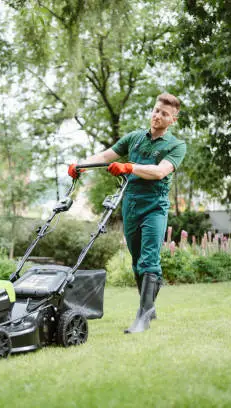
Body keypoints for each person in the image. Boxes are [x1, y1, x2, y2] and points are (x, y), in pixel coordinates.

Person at [68, 93, 186, 334]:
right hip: (130, 204)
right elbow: (104, 156)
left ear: (173, 119)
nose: (157, 116)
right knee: (136, 262)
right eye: (156, 110)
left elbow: (160, 172)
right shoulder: (134, 138)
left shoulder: (176, 145)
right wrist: (80, 166)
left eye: (164, 114)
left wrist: (130, 167)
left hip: (155, 206)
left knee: (148, 259)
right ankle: (150, 307)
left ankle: (143, 315)